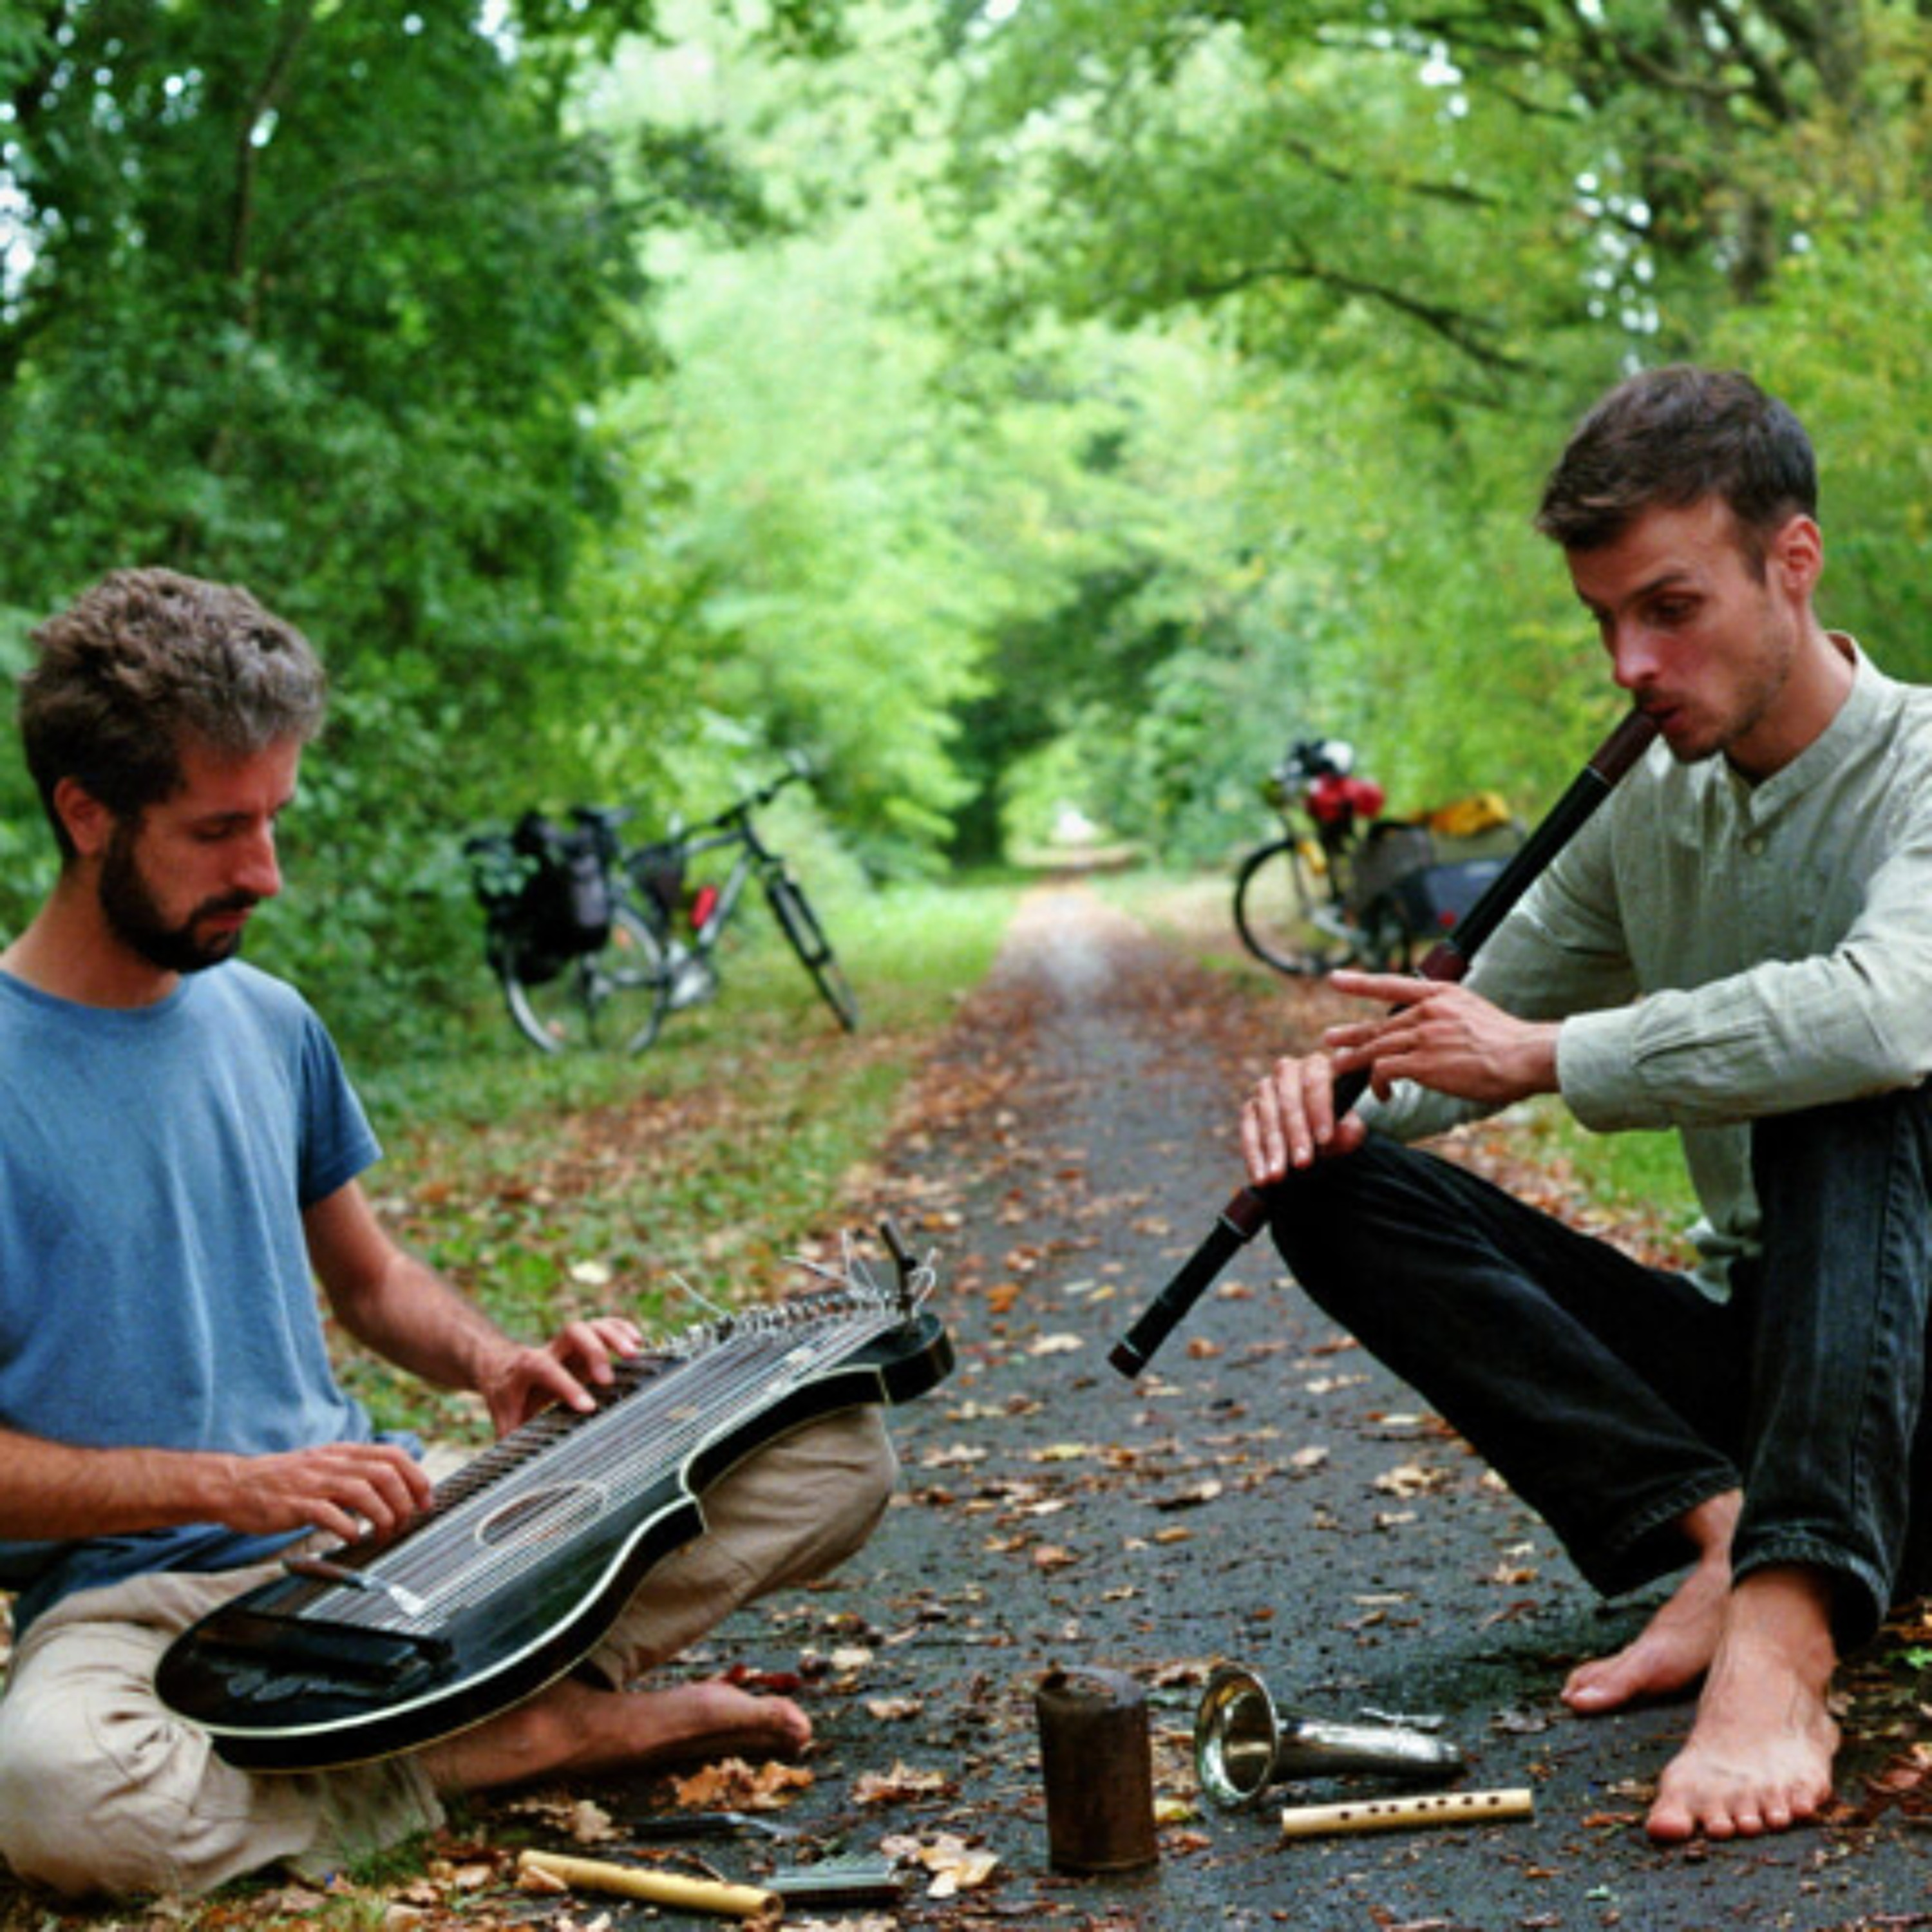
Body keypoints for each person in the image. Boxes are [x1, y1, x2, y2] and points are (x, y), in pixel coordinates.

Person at [0, 568, 898, 1899]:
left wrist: (494, 1366)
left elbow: (369, 1283)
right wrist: (226, 1486)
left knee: (836, 1447)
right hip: (133, 1612)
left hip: (390, 1540)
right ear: (87, 814)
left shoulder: (269, 1019)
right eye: (221, 830)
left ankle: (455, 1703)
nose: (268, 872)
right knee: (61, 1801)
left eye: (277, 820)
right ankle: (508, 1739)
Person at [1240, 365, 1932, 1846]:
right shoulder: (1651, 809)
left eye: (1669, 610)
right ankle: (1726, 1533)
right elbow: (1462, 1033)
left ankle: (1786, 1640)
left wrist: (1552, 1055)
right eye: (1605, 621)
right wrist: (1342, 1092)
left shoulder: (1926, 766)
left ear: (1790, 563)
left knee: (1842, 1066)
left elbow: (1889, 1012)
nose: (1628, 661)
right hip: (1774, 1373)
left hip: (1919, 1362)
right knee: (1335, 1180)